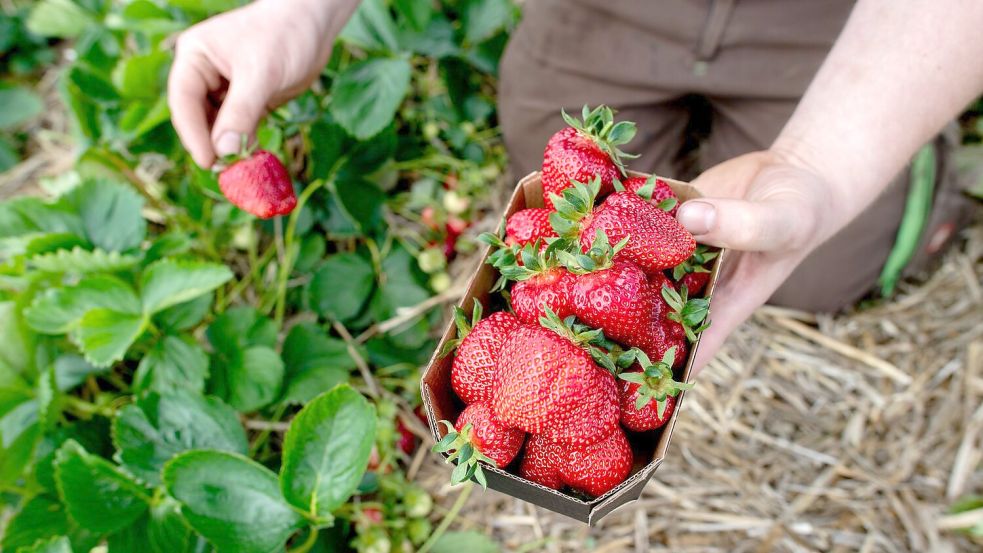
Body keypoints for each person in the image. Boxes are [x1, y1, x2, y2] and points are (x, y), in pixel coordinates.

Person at [168, 0, 983, 372]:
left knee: (821, 263)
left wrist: (820, 164)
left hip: (837, 24)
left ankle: (928, 175)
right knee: (561, 159)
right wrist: (306, 9)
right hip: (606, 11)